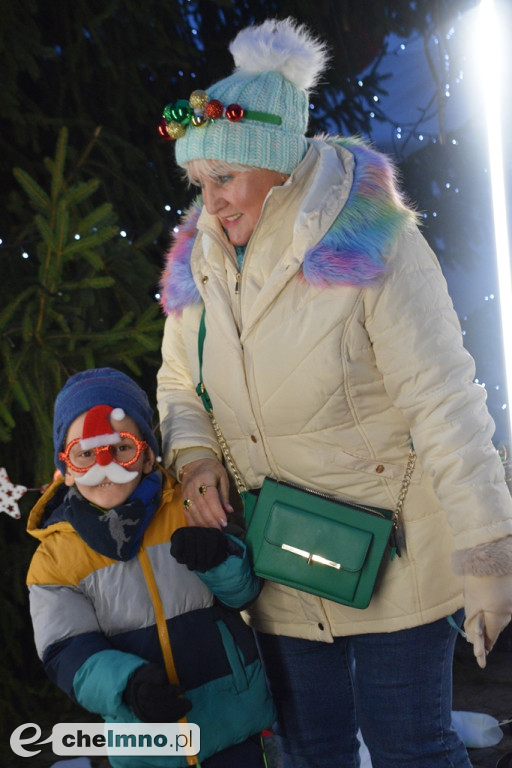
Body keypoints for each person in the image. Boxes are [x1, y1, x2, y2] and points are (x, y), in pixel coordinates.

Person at [156, 16, 512, 768]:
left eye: (223, 178)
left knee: (408, 747)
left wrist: (487, 555)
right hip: (279, 558)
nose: (209, 203)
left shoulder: (370, 237)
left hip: (395, 557)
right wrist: (193, 457)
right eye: (198, 182)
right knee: (307, 752)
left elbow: (445, 401)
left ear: (275, 161)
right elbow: (179, 380)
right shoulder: (202, 252)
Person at [26, 367, 275, 768]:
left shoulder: (189, 507)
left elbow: (243, 593)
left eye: (121, 448)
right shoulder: (54, 560)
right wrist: (127, 686)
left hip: (233, 720)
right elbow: (66, 650)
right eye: (85, 453)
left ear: (146, 456)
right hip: (146, 742)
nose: (104, 466)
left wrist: (217, 558)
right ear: (67, 469)